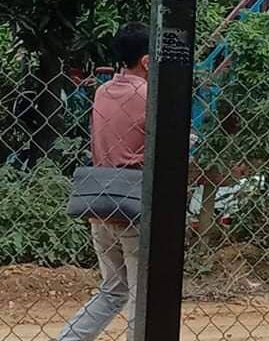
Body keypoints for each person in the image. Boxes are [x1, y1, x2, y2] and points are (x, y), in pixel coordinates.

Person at [59, 23, 150, 341]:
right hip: (134, 203)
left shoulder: (102, 91)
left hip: (100, 201)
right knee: (143, 294)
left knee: (113, 289)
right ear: (147, 61)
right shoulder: (150, 96)